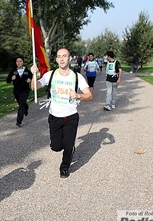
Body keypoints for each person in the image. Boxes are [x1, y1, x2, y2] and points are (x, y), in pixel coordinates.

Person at [30, 48, 92, 178]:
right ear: (56, 59)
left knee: (68, 145)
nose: (62, 59)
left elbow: (89, 96)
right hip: (54, 116)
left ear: (69, 58)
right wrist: (33, 74)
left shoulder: (76, 77)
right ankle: (66, 147)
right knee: (56, 147)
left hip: (71, 116)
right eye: (59, 56)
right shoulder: (50, 75)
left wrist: (78, 95)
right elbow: (34, 87)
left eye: (64, 56)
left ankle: (64, 167)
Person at [6, 56, 33, 127]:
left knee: (21, 104)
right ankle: (26, 108)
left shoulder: (27, 71)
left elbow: (32, 78)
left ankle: (19, 121)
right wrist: (11, 78)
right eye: (17, 61)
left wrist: (30, 80)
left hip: (25, 90)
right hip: (17, 91)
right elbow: (7, 80)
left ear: (23, 62)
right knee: (22, 104)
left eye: (20, 61)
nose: (19, 63)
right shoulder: (13, 71)